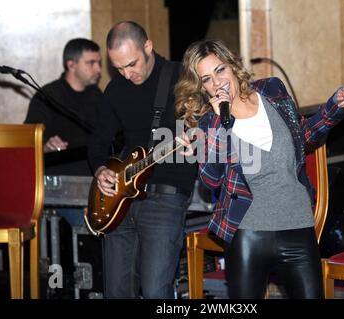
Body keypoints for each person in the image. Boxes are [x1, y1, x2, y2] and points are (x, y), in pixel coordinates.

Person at [174, 39, 344, 299]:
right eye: (206, 79)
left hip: (297, 226)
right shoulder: (208, 123)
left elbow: (301, 138)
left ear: (233, 65)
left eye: (220, 70)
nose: (217, 83)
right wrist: (217, 125)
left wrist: (335, 108)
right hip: (248, 234)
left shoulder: (272, 90)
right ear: (200, 87)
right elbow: (211, 181)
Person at [88, 21, 197, 299]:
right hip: (121, 202)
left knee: (155, 292)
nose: (127, 74)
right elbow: (98, 142)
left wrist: (199, 140)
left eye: (132, 64)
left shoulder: (181, 78)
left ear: (148, 47)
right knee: (116, 292)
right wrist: (101, 169)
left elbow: (208, 125)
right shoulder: (115, 90)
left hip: (165, 197)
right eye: (119, 67)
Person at [24, 38, 103, 176]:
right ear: (71, 65)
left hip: (94, 175)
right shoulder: (47, 95)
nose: (98, 69)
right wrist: (45, 146)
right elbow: (28, 138)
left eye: (99, 63)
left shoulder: (96, 95)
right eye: (91, 63)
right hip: (59, 177)